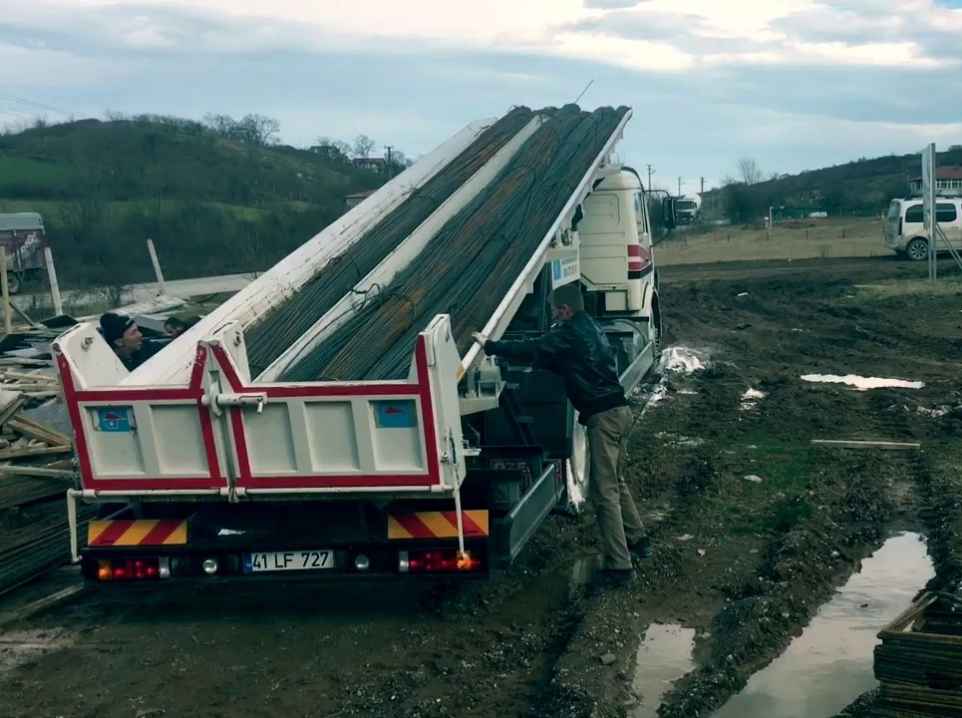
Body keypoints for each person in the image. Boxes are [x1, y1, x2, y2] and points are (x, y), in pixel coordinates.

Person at [473, 282, 648, 586]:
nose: (553, 313)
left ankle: (620, 567)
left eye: (555, 309)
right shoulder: (589, 328)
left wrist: (491, 346)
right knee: (616, 482)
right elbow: (559, 359)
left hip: (603, 419)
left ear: (565, 310)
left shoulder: (568, 333)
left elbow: (536, 347)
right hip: (621, 413)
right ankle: (638, 539)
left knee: (603, 492)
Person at [99, 312, 166, 371]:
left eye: (137, 330)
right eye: (133, 333)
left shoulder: (151, 348)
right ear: (119, 342)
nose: (140, 334)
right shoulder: (113, 369)